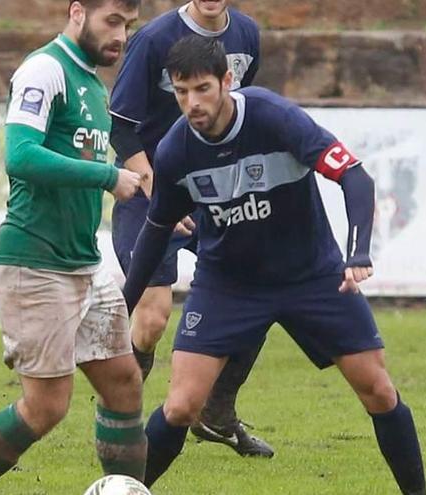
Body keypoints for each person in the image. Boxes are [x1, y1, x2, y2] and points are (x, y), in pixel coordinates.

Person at [122, 36, 426, 494]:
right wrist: (122, 304)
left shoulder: (273, 117)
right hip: (228, 283)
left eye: (203, 88)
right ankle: (122, 489)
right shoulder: (175, 151)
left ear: (228, 80)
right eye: (182, 92)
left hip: (311, 275)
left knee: (379, 391)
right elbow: (157, 228)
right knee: (182, 405)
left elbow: (353, 177)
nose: (192, 104)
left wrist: (358, 251)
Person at [0, 1, 147, 494]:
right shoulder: (45, 70)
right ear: (77, 13)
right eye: (112, 21)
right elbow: (20, 157)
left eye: (128, 25)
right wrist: (108, 175)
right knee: (46, 407)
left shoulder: (91, 82)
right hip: (33, 262)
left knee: (124, 382)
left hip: (83, 261)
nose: (121, 36)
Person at [108, 0, 272, 458]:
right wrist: (158, 188)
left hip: (213, 192)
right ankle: (122, 422)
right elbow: (120, 126)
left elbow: (240, 113)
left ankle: (217, 413)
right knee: (154, 314)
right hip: (151, 192)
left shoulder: (247, 35)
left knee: (258, 289)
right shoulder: (153, 40)